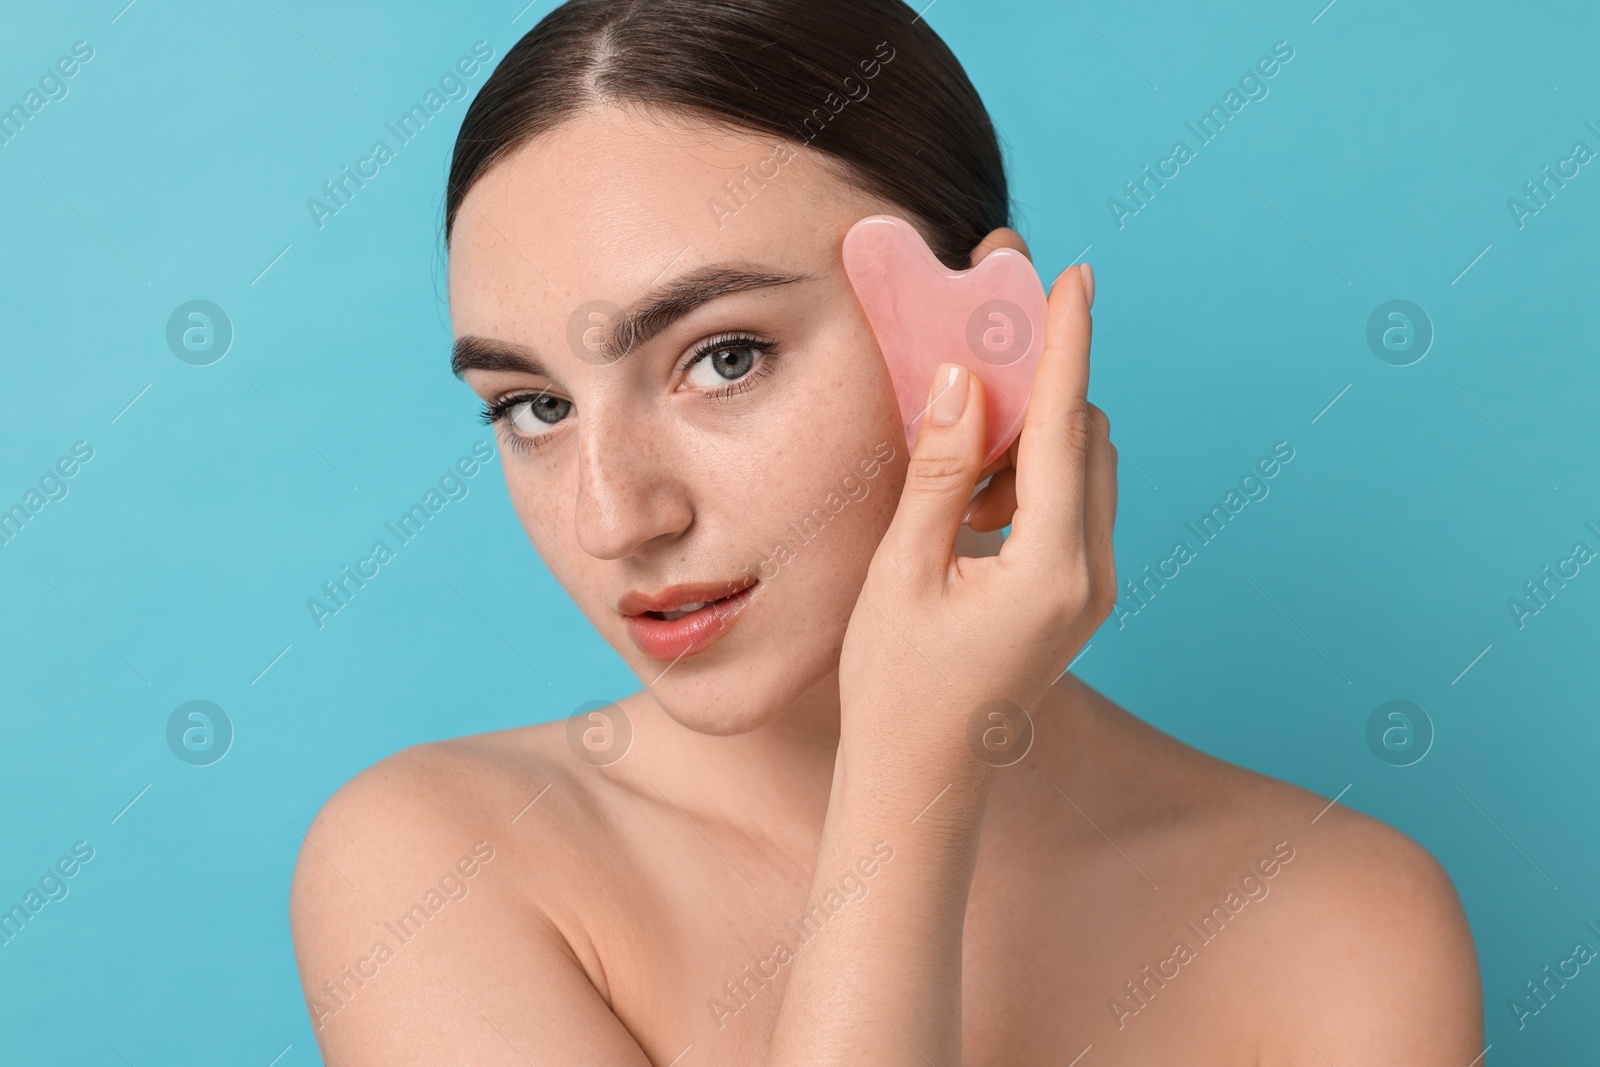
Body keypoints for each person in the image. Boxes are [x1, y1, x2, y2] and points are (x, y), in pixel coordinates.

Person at [290, 1, 1483, 1062]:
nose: (614, 518)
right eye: (533, 407)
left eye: (723, 356)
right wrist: (910, 786)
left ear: (983, 339)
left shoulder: (1339, 917)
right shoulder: (435, 864)